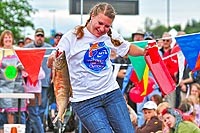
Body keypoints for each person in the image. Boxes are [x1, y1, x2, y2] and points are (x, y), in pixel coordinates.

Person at [47, 2, 146, 133]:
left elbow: (127, 48)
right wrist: (53, 58)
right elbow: (51, 62)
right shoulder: (71, 37)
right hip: (84, 100)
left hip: (111, 93)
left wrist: (145, 52)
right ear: (92, 16)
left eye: (107, 26)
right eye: (100, 23)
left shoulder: (110, 35)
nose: (102, 28)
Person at [24, 28, 52, 130]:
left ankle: (38, 128)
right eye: (38, 36)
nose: (39, 38)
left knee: (42, 108)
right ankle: (34, 129)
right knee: (31, 110)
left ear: (44, 38)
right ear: (34, 37)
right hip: (30, 85)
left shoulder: (49, 48)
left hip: (44, 83)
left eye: (41, 36)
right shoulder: (27, 48)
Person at [0, 30, 26, 133]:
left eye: (9, 37)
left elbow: (24, 64)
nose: (8, 39)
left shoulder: (18, 51)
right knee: (5, 113)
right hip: (3, 86)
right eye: (6, 37)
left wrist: (20, 66)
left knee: (18, 113)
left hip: (17, 86)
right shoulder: (0, 52)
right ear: (2, 40)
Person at [23, 67, 45, 133]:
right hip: (24, 92)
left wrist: (29, 72)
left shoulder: (35, 64)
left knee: (33, 114)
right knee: (27, 116)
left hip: (34, 93)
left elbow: (42, 75)